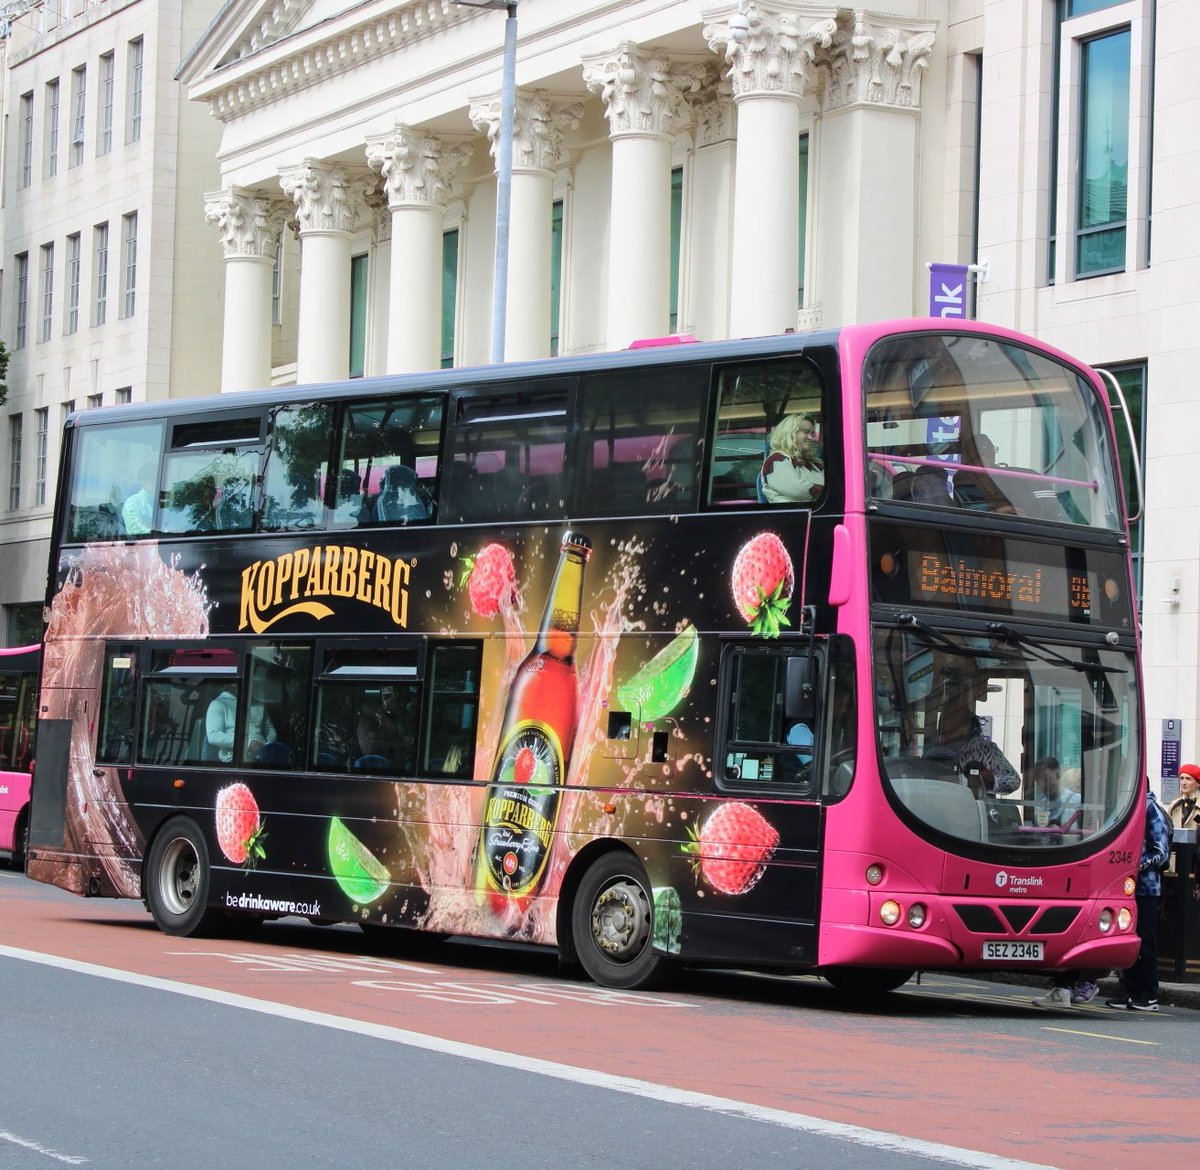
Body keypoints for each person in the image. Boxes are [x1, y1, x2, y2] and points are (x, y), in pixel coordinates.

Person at [1106, 788, 1171, 1012]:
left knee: (1145, 940)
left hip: (1146, 888)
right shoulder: (1126, 808)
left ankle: (1149, 994)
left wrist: (1133, 867)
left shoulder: (1150, 809)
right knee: (1126, 938)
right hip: (1124, 888)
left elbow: (1160, 851)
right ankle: (1130, 991)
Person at [926, 672, 1020, 796]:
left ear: (966, 725)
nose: (946, 726)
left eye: (953, 720)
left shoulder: (985, 749)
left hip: (976, 805)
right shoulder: (933, 752)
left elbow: (1013, 780)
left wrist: (989, 779)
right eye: (944, 721)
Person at [760, 414, 824, 504]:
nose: (811, 438)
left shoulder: (815, 464)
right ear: (790, 434)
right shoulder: (776, 459)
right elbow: (798, 491)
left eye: (812, 433)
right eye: (806, 432)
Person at [1164, 762, 1200, 874]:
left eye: (1188, 779)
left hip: (1196, 858)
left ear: (1198, 783)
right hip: (1177, 856)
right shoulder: (1174, 804)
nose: (1183, 783)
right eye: (1182, 778)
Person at [122, 462, 158, 535]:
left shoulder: (162, 504)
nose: (157, 484)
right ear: (144, 481)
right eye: (153, 480)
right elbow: (135, 529)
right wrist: (160, 534)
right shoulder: (132, 502)